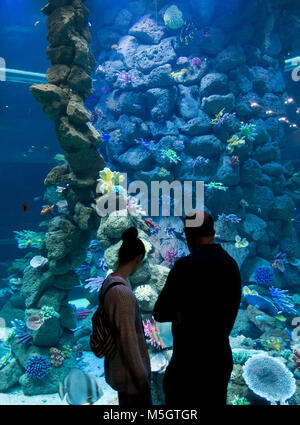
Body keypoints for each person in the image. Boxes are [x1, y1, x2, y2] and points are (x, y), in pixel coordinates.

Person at [153, 210, 242, 407]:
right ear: (213, 231)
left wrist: (179, 313)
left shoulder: (185, 267)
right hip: (219, 360)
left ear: (186, 233)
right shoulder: (231, 265)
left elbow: (159, 312)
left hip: (188, 364)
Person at [100, 226, 152, 407]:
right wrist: (142, 378)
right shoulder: (122, 294)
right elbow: (128, 340)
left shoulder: (108, 283)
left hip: (119, 370)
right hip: (132, 379)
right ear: (137, 259)